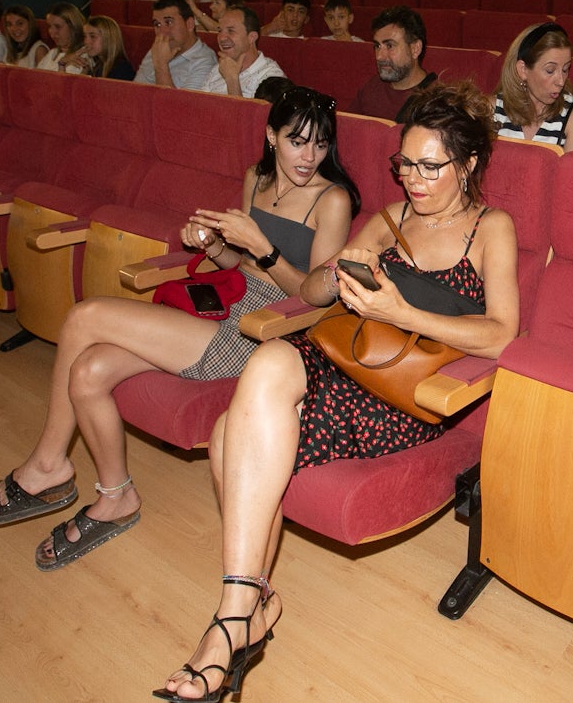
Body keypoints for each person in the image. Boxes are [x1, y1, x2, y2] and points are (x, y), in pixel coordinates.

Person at [154, 82, 517, 703]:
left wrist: (403, 310)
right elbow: (316, 295)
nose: (415, 181)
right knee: (268, 361)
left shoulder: (491, 228)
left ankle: (236, 623)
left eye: (432, 166)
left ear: (470, 164)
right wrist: (337, 268)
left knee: (225, 438)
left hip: (407, 390)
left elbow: (502, 334)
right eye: (405, 165)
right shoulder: (390, 217)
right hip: (343, 357)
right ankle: (243, 612)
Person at [0, 85, 358, 571]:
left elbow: (315, 297)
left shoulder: (332, 199)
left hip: (268, 329)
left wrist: (262, 246)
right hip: (228, 299)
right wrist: (213, 247)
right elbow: (236, 263)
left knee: (84, 317)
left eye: (321, 144)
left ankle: (48, 465)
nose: (310, 155)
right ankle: (116, 498)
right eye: (298, 141)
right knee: (88, 370)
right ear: (271, 136)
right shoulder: (255, 177)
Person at [493, 23, 573, 149]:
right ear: (523, 70)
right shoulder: (490, 110)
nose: (561, 82)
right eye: (550, 71)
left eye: (565, 69)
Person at [351, 6, 436, 122]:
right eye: (377, 46)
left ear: (415, 49)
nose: (379, 56)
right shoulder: (371, 87)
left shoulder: (435, 101)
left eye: (389, 46)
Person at [135, 0, 220, 90]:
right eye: (157, 24)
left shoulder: (205, 62)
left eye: (168, 22)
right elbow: (135, 93)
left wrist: (161, 66)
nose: (162, 32)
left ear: (190, 24)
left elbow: (178, 104)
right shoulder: (157, 49)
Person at [202, 7, 287, 99]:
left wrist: (232, 80)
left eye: (231, 31)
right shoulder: (218, 68)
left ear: (252, 37)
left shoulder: (271, 76)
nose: (221, 38)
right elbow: (199, 107)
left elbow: (250, 114)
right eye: (219, 31)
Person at [36, 3, 89, 73]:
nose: (52, 32)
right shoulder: (53, 53)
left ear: (73, 27)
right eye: (49, 26)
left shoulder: (81, 56)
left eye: (58, 27)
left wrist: (61, 64)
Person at [82, 16, 136, 80]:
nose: (86, 41)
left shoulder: (121, 69)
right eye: (84, 36)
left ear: (108, 39)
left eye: (93, 36)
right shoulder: (97, 64)